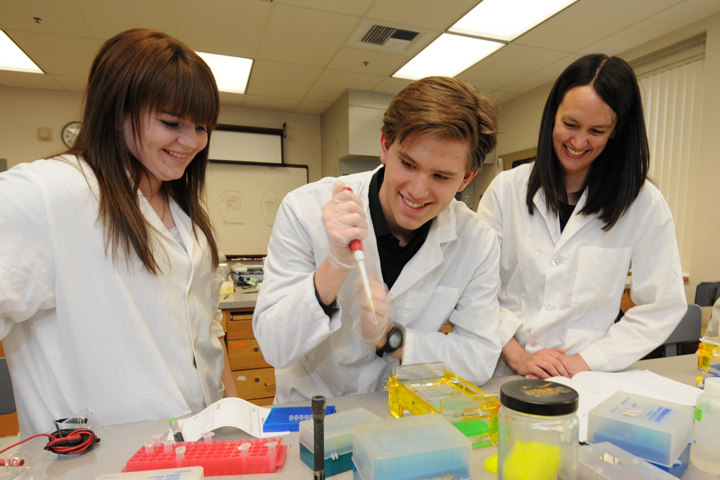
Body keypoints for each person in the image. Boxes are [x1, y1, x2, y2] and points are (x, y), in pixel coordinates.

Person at [0, 28, 237, 435]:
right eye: (171, 123)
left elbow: (207, 332)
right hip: (101, 460)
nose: (192, 141)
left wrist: (234, 416)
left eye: (201, 127)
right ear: (116, 110)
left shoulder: (184, 213)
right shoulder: (48, 194)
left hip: (199, 445)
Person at [253, 76, 502, 404]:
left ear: (466, 178)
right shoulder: (305, 208)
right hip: (308, 414)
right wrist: (336, 266)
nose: (417, 190)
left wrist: (391, 339)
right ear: (386, 146)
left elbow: (480, 357)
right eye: (408, 164)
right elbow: (274, 346)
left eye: (441, 176)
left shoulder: (477, 240)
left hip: (393, 418)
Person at [477, 54, 687, 379]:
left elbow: (661, 306)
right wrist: (518, 357)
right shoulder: (507, 190)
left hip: (582, 381)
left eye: (597, 131)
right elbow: (476, 290)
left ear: (616, 131)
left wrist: (586, 361)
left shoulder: (643, 204)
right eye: (570, 124)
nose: (577, 142)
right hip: (502, 370)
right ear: (553, 115)